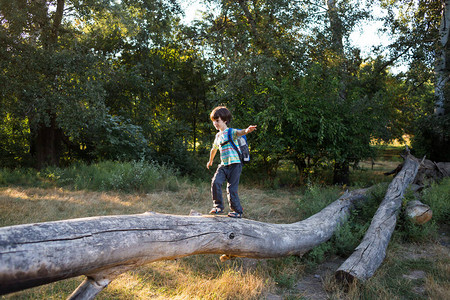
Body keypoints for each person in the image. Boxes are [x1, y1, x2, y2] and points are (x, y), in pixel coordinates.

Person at [206, 106, 257, 218]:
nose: (215, 123)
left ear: (224, 120)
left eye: (217, 120)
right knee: (215, 182)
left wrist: (247, 130)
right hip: (223, 165)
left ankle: (237, 211)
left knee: (231, 188)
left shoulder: (230, 131)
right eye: (214, 121)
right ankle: (218, 206)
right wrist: (210, 161)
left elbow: (240, 132)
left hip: (235, 164)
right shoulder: (218, 136)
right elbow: (214, 149)